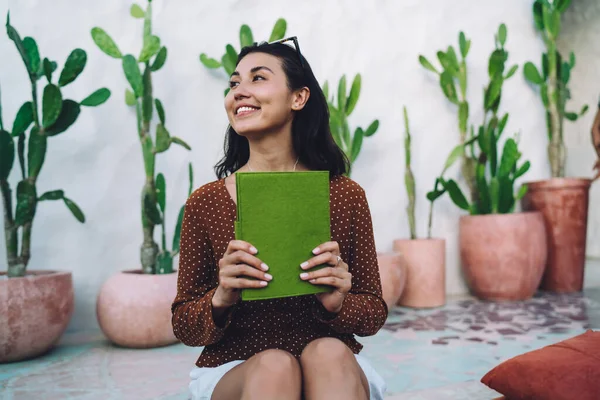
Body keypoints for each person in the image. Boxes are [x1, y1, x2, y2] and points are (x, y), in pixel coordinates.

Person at [171, 36, 388, 400]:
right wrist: (221, 297)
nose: (239, 91)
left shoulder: (346, 195)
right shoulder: (204, 202)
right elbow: (184, 325)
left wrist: (338, 303)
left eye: (258, 78)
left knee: (328, 351)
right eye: (234, 83)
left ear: (298, 98)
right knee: (275, 364)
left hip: (333, 363)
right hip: (235, 367)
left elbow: (373, 313)